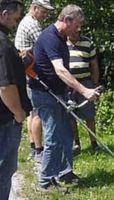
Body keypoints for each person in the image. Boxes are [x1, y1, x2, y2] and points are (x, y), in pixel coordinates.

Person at [29, 4, 100, 190]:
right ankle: (45, 181)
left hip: (59, 92)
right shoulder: (50, 38)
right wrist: (85, 90)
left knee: (67, 134)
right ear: (66, 20)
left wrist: (71, 91)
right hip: (44, 94)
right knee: (53, 137)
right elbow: (60, 69)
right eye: (76, 25)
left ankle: (65, 172)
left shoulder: (62, 37)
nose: (79, 29)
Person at [15, 0, 54, 162]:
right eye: (43, 11)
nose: (45, 15)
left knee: (32, 111)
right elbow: (45, 45)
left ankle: (33, 145)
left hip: (25, 72)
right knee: (37, 111)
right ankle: (39, 150)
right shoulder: (32, 24)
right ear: (35, 8)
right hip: (31, 73)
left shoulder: (27, 21)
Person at [0, 0, 32, 199]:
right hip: (5, 120)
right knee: (4, 171)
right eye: (16, 18)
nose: (16, 23)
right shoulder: (2, 43)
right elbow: (4, 86)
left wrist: (17, 60)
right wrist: (18, 113)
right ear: (4, 14)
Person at [67, 32, 100, 152]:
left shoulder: (87, 42)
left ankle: (94, 143)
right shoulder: (62, 43)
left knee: (89, 114)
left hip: (85, 82)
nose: (76, 34)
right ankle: (76, 144)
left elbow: (94, 64)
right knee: (71, 115)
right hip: (68, 84)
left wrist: (95, 84)